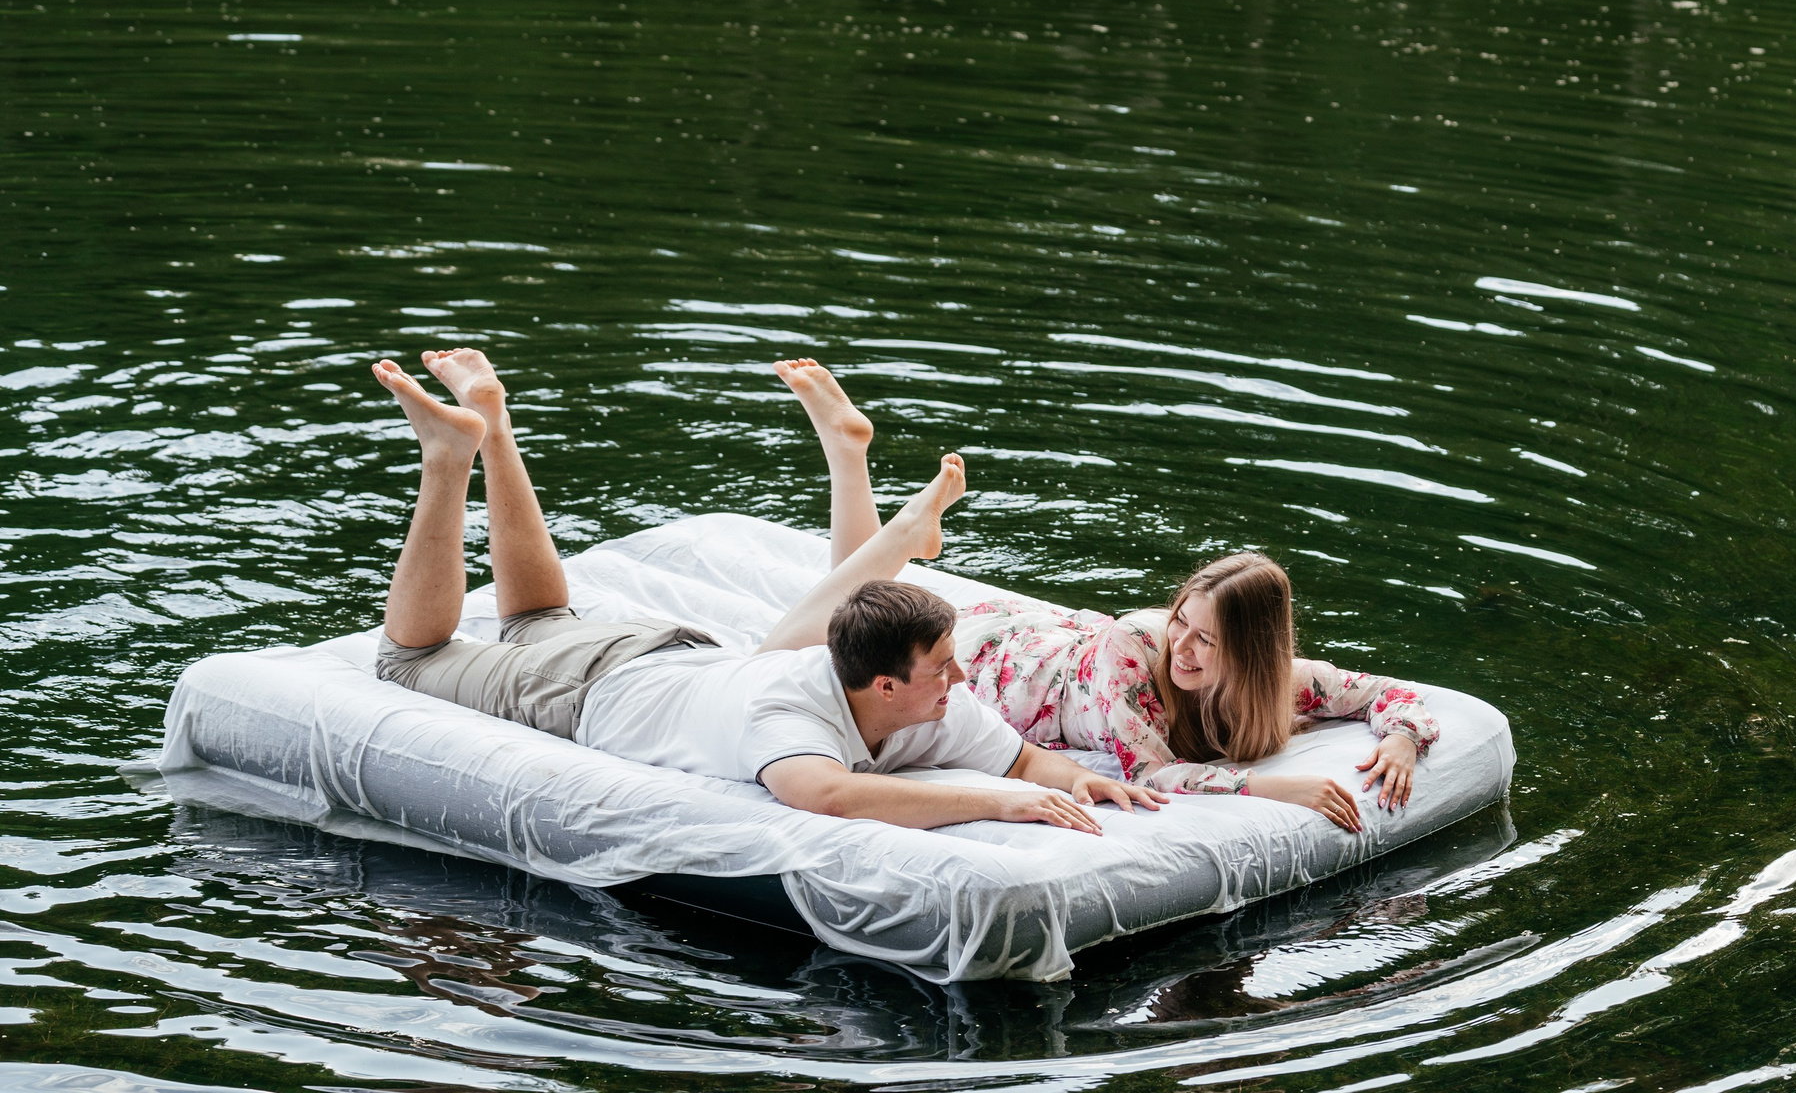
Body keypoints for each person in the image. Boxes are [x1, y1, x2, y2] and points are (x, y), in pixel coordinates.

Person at [367, 348, 1158, 836]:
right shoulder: (790, 719)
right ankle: (449, 456)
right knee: (410, 659)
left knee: (538, 618)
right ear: (884, 685)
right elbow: (830, 797)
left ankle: (491, 418)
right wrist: (996, 804)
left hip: (674, 658)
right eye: (943, 667)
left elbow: (1022, 759)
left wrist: (1074, 779)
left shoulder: (932, 707)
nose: (960, 677)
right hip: (592, 688)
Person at [945, 554, 1442, 835]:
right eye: (1180, 620)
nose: (1180, 648)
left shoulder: (1281, 682)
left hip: (1074, 649)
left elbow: (1385, 692)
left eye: (1206, 639)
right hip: (1017, 670)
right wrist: (1273, 787)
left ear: (1250, 653)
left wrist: (1402, 738)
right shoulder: (1131, 654)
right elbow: (1151, 774)